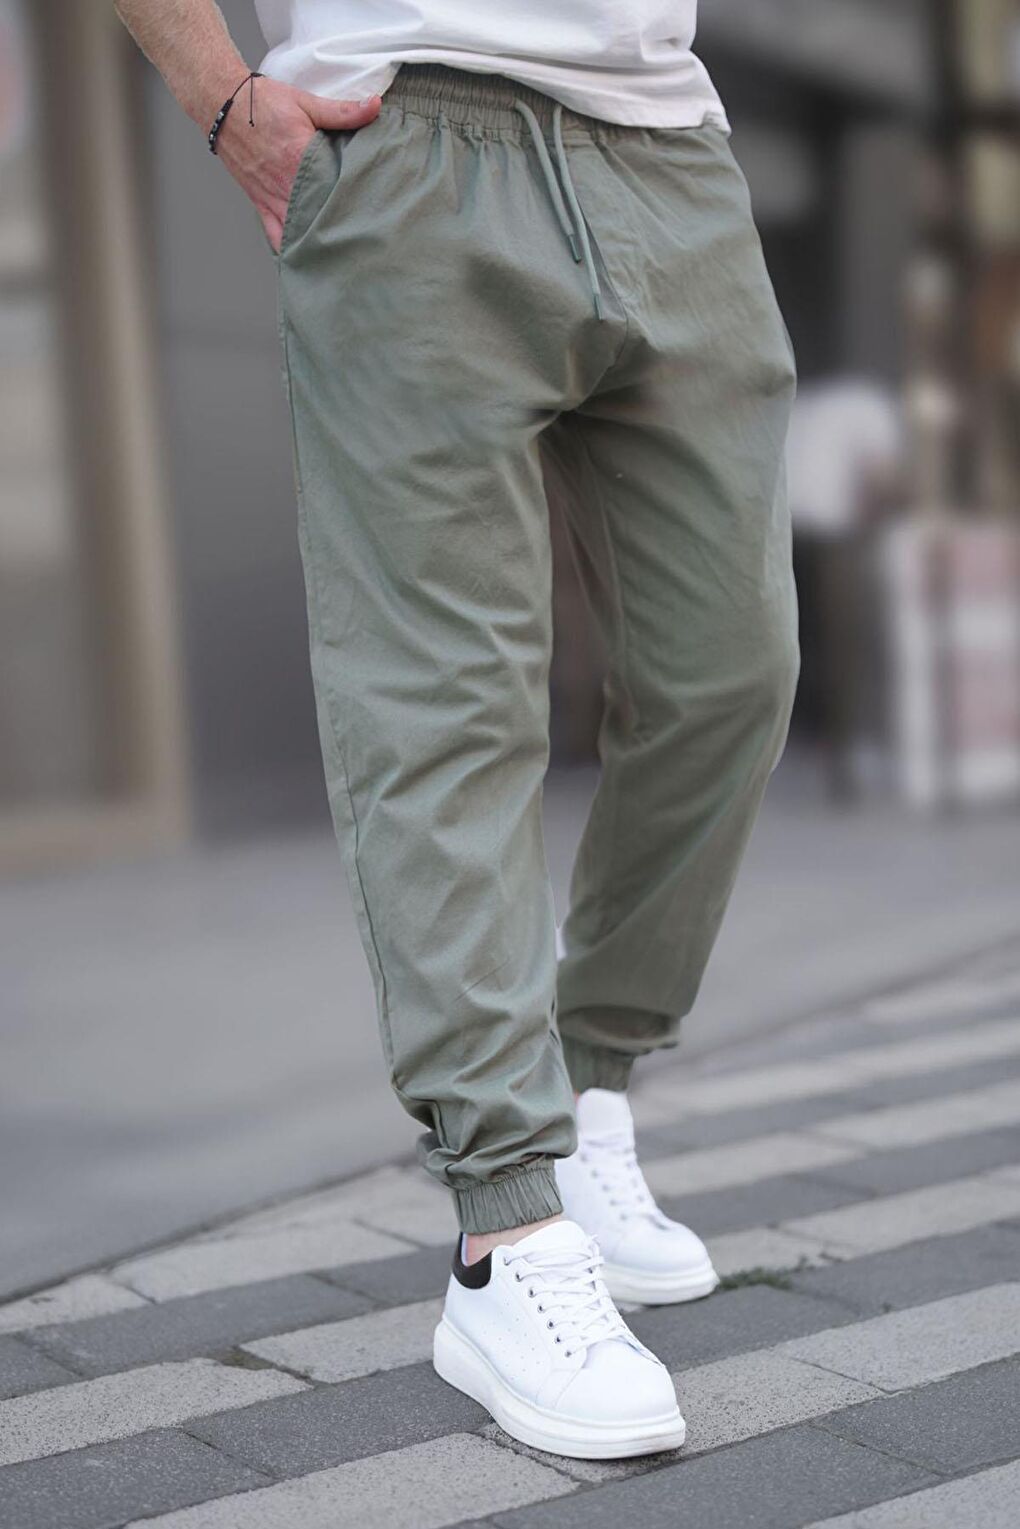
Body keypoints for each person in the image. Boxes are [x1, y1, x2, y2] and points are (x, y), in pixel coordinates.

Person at [115, 0, 799, 1461]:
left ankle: (588, 1083)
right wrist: (224, 98)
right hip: (405, 133)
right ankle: (508, 1229)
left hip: (669, 146)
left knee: (731, 670)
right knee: (450, 699)